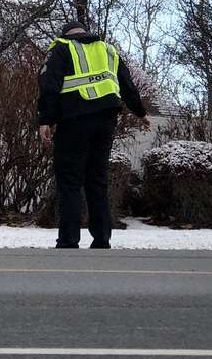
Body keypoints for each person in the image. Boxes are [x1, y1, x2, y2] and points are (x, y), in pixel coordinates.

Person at [37, 21, 146, 249]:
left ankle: (68, 240)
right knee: (97, 180)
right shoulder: (107, 49)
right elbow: (127, 83)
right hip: (105, 122)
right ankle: (102, 239)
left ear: (66, 33)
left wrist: (46, 120)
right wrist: (140, 112)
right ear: (85, 32)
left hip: (74, 120)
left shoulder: (61, 47)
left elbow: (50, 85)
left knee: (69, 181)